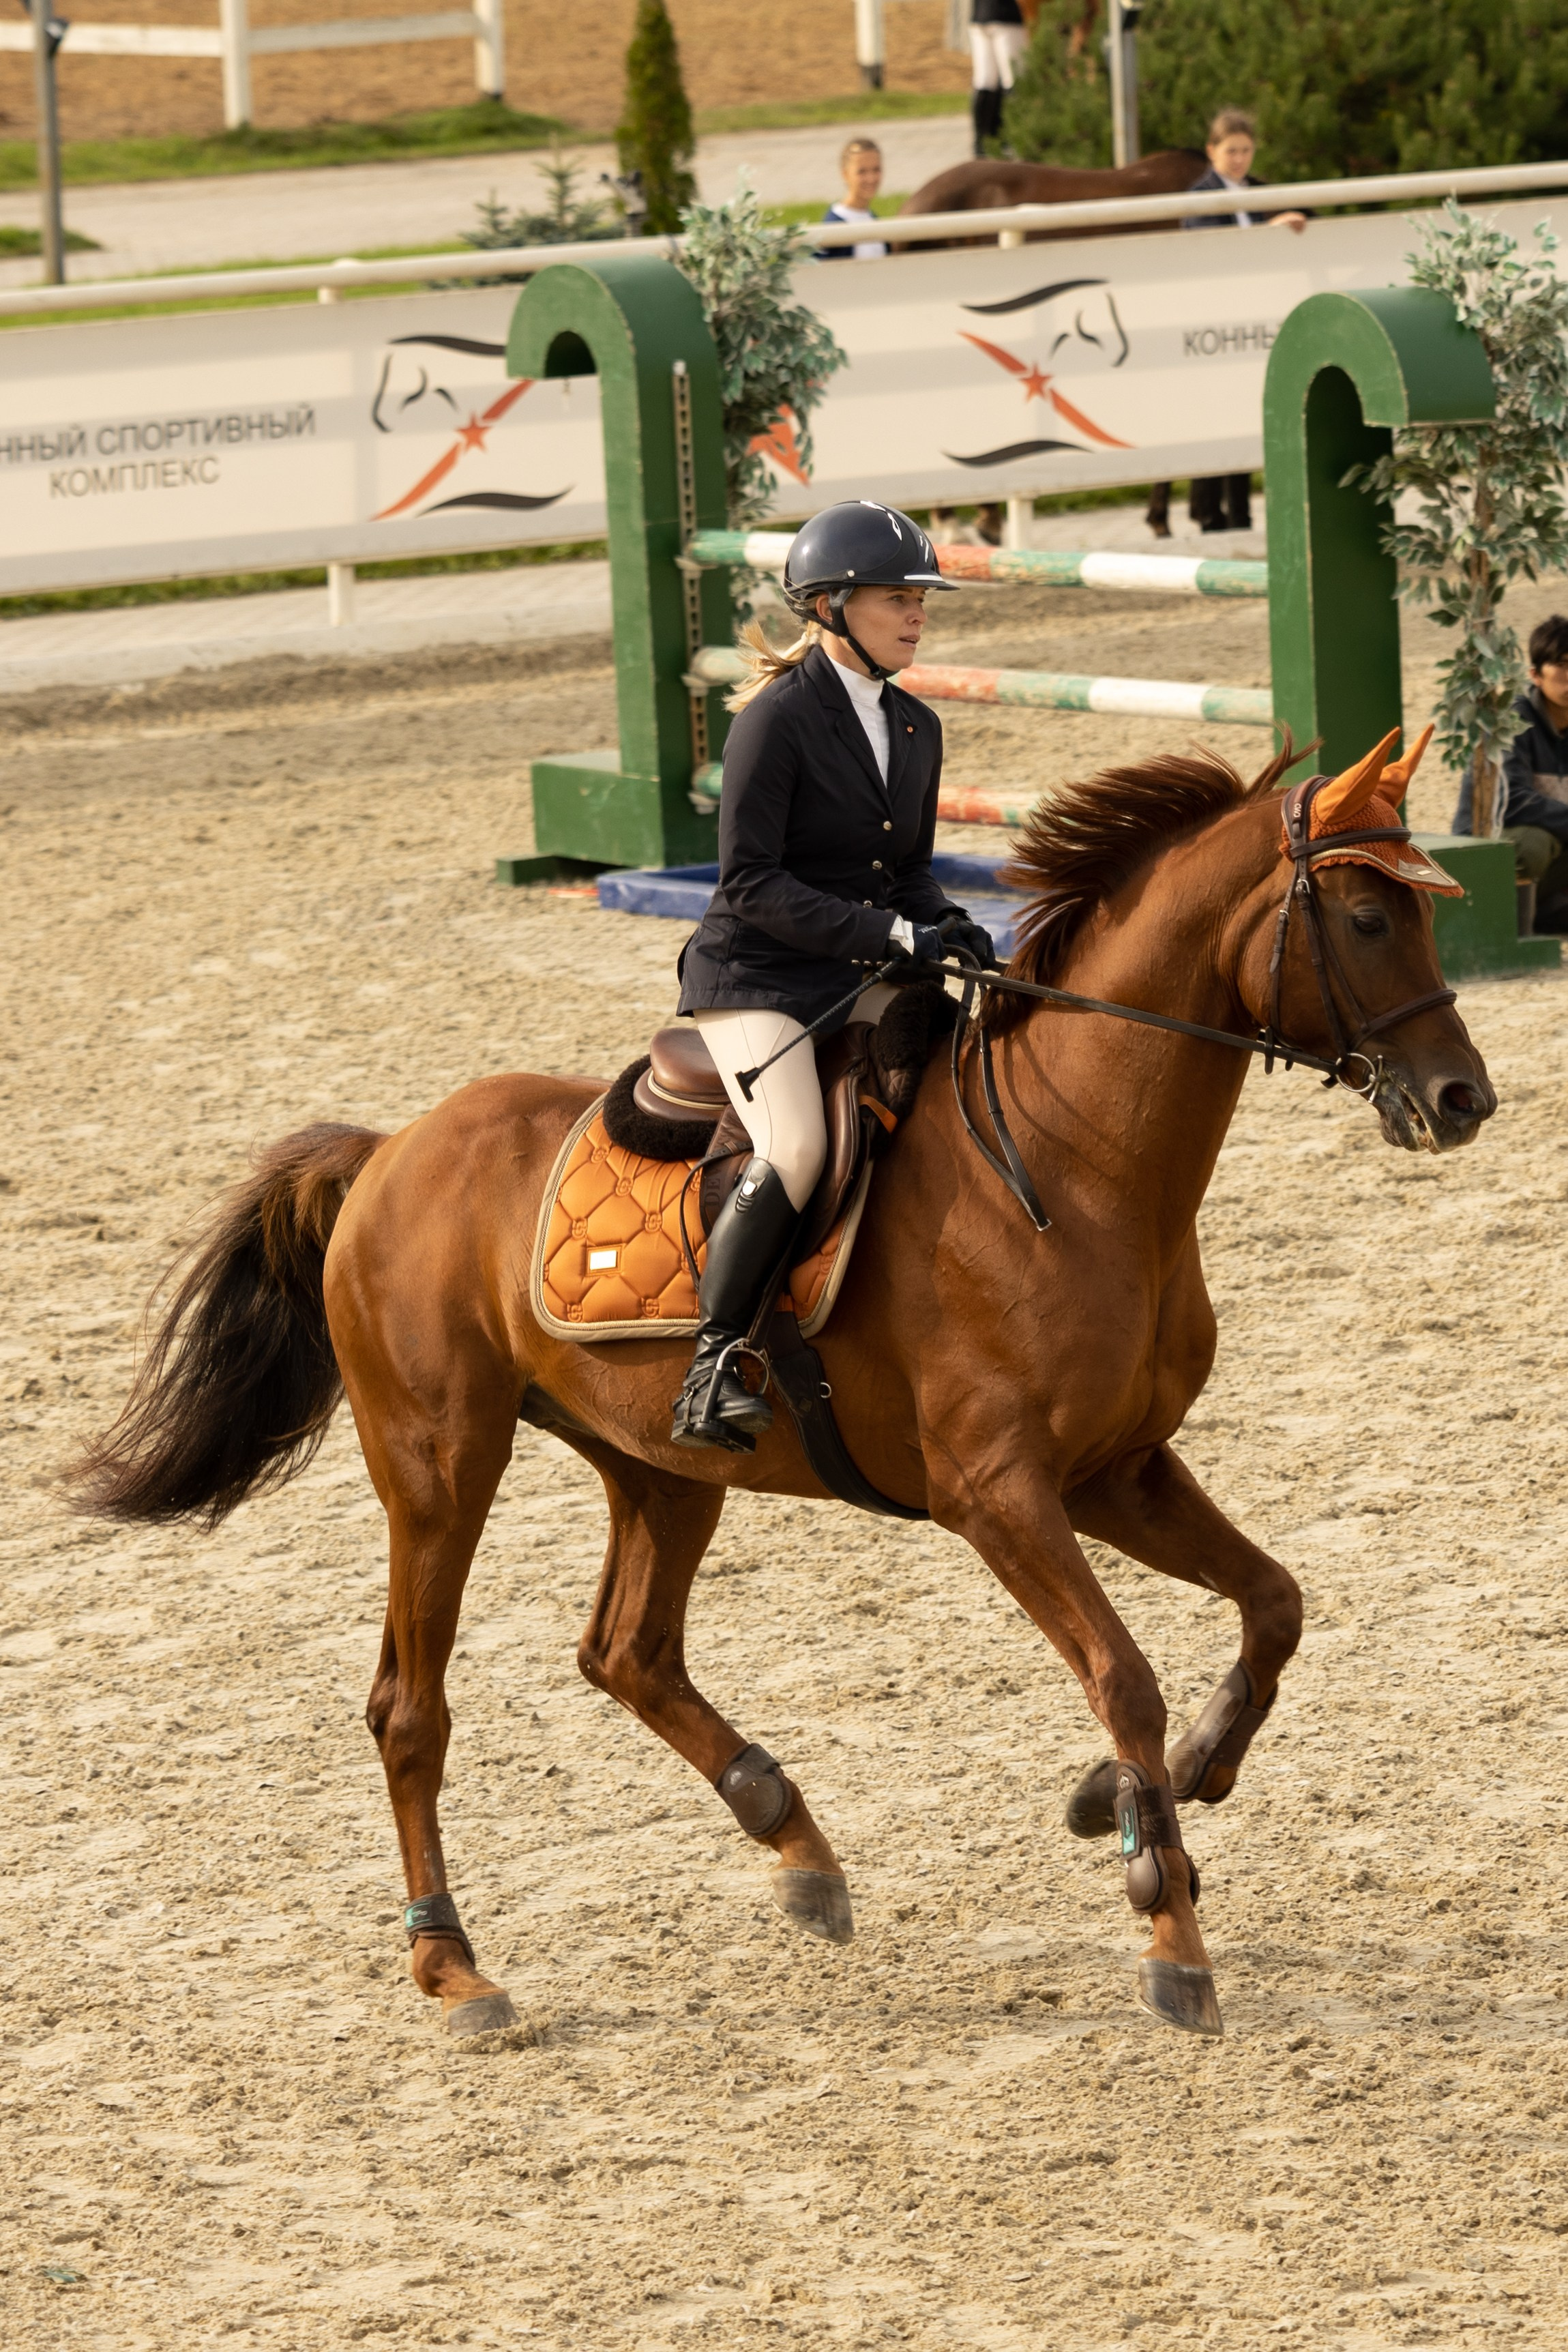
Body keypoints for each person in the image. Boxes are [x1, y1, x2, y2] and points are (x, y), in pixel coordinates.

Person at [669, 501, 996, 1452]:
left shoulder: (915, 727)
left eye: (920, 599)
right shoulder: (775, 722)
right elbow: (751, 882)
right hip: (756, 977)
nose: (916, 615)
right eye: (896, 599)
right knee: (799, 1148)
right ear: (827, 606)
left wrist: (944, 922)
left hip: (859, 964)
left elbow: (907, 871)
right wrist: (890, 930)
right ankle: (714, 1358)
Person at [1181, 108, 1308, 535]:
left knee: (1246, 418)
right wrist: (1268, 231)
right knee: (1216, 419)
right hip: (1214, 325)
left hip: (1254, 323)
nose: (1239, 159)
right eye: (1231, 151)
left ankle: (1242, 514)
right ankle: (1209, 514)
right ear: (1212, 151)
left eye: (1246, 150)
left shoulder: (1262, 193)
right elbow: (1207, 247)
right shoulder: (1200, 198)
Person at [1453, 615, 1568, 932]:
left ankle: (1546, 913)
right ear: (1535, 675)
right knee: (1532, 844)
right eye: (1562, 665)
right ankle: (1505, 928)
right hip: (1487, 856)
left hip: (1551, 864)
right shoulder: (1511, 722)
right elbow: (1511, 800)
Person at [969, 0, 1038, 157]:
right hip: (1006, 16)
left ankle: (983, 145)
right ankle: (1012, 139)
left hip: (980, 17)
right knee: (1014, 80)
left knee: (985, 81)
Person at [814, 138, 889, 261]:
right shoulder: (834, 226)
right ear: (845, 174)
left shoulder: (874, 220)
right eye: (862, 172)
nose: (871, 179)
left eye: (876, 170)